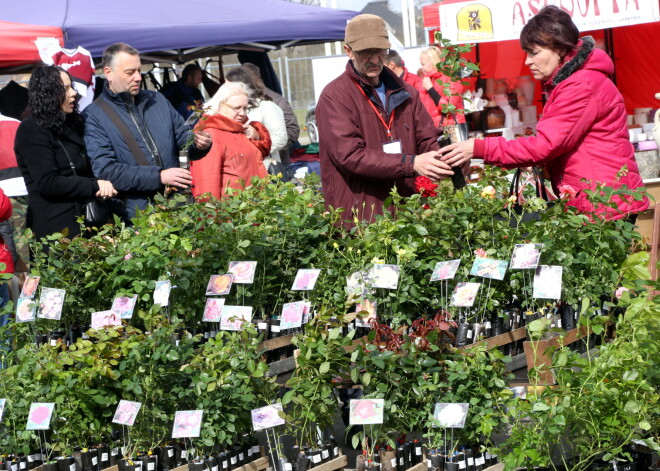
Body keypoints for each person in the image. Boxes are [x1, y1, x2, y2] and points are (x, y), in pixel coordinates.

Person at [440, 5, 648, 221]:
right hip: (602, 199)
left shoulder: (581, 85)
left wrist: (479, 147)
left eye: (534, 52)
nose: (527, 61)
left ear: (559, 49)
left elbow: (545, 145)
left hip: (603, 204)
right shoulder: (576, 81)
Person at [315, 14, 454, 223]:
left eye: (379, 51)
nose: (374, 59)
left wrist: (443, 158)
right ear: (349, 51)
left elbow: (426, 138)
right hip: (360, 218)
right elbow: (350, 156)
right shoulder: (334, 97)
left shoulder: (406, 92)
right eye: (365, 53)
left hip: (405, 212)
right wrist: (412, 163)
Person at [83, 43, 212, 222]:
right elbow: (106, 171)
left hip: (176, 208)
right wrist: (159, 177)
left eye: (139, 70)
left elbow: (182, 139)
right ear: (108, 73)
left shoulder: (157, 100)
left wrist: (198, 144)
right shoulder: (95, 115)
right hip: (135, 217)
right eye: (130, 72)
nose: (137, 77)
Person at [14, 65, 117, 241]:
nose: (73, 93)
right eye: (65, 89)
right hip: (56, 233)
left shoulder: (71, 124)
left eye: (72, 86)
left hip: (86, 223)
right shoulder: (31, 129)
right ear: (47, 94)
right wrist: (94, 186)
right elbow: (48, 182)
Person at [190, 81, 271, 199]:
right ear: (220, 104)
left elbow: (260, 155)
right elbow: (206, 183)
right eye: (237, 108)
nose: (242, 113)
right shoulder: (209, 135)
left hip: (252, 207)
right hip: (230, 211)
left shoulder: (240, 130)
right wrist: (212, 214)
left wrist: (257, 135)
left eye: (245, 108)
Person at [225, 67, 288, 178]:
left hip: (265, 170)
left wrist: (254, 146)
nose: (224, 89)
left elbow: (280, 137)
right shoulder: (227, 108)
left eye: (228, 85)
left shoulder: (266, 106)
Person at [384, 50, 440, 127]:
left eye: (383, 66)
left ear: (391, 65)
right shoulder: (386, 84)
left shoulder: (415, 81)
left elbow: (424, 108)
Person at [419, 46, 466, 125]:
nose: (421, 67)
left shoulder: (451, 78)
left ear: (433, 62)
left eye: (423, 64)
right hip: (433, 129)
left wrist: (431, 89)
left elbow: (448, 108)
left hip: (451, 127)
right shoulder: (426, 80)